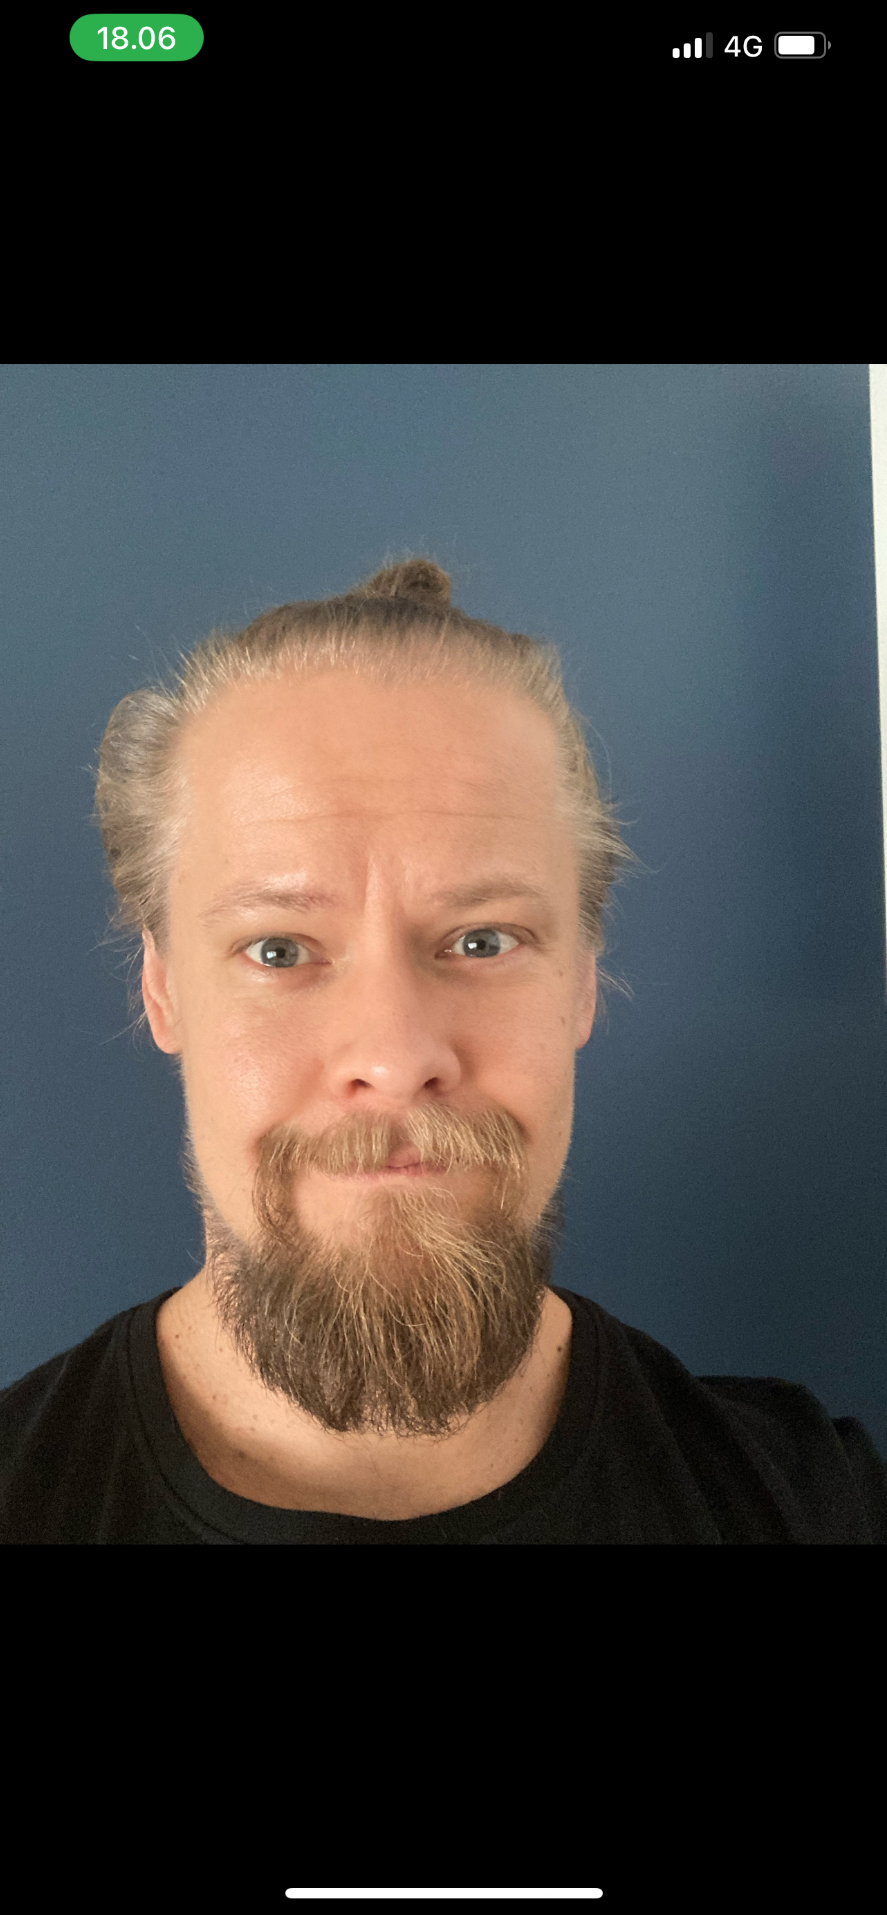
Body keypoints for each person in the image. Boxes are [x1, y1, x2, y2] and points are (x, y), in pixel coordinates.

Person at [2, 558, 884, 1542]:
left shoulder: (816, 1506)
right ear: (163, 989)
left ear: (582, 981)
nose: (393, 1057)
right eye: (279, 949)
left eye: (482, 941)